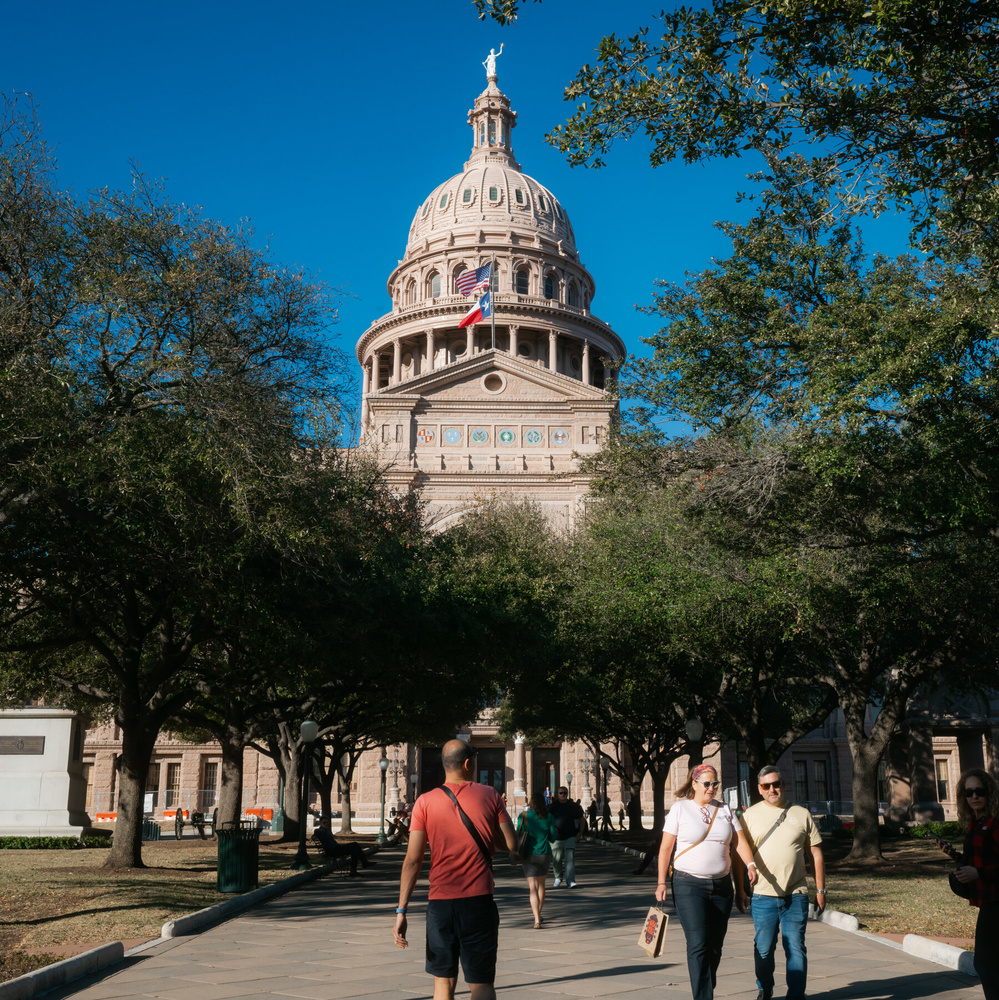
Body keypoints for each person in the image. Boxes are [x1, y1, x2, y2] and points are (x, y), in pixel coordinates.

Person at [394, 740, 517, 1000]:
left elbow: (412, 861)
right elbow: (511, 844)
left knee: (443, 984)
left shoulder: (424, 802)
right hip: (479, 902)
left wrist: (401, 911)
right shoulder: (490, 795)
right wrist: (485, 833)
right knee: (482, 984)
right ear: (468, 763)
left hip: (440, 905)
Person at [655, 764, 758, 1000]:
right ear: (694, 784)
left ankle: (704, 987)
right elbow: (666, 848)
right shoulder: (680, 809)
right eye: (707, 784)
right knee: (698, 943)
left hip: (722, 886)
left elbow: (739, 843)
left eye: (715, 784)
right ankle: (703, 997)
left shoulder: (725, 809)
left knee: (715, 946)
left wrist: (750, 865)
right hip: (688, 884)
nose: (712, 788)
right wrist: (661, 882)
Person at [734, 766, 825, 1000]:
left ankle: (796, 995)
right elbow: (738, 856)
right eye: (766, 786)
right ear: (759, 789)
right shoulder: (750, 816)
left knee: (795, 947)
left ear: (783, 784)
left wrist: (821, 889)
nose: (772, 789)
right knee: (763, 949)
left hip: (796, 894)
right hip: (763, 896)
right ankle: (765, 988)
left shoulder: (801, 813)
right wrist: (740, 889)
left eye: (776, 784)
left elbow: (815, 854)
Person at [951, 768, 999, 999]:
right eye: (969, 793)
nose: (974, 797)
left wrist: (978, 872)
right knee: (989, 963)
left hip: (997, 902)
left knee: (986, 964)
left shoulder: (995, 822)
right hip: (988, 901)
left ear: (989, 793)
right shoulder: (975, 824)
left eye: (979, 791)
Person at [517, 792, 558, 927]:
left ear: (532, 803)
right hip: (544, 854)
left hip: (528, 854)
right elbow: (552, 837)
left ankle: (536, 920)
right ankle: (539, 914)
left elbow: (518, 832)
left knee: (532, 888)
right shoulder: (549, 816)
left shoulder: (524, 816)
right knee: (541, 886)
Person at [548, 785, 585, 888]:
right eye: (561, 793)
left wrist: (580, 833)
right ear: (557, 794)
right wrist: (551, 829)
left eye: (565, 793)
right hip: (556, 837)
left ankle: (570, 881)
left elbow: (582, 819)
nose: (563, 795)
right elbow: (546, 820)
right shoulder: (552, 807)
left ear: (567, 794)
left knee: (570, 859)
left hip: (570, 836)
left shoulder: (574, 806)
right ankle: (558, 878)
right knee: (556, 859)